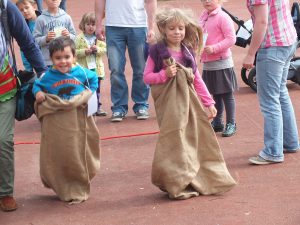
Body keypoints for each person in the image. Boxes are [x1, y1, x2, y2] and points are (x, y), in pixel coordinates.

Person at [144, 8, 236, 200]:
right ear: (163, 28)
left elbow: (196, 78)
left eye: (180, 28)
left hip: (189, 105)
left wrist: (209, 102)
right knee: (174, 141)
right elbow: (147, 77)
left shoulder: (187, 52)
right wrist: (164, 75)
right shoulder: (156, 51)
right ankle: (175, 181)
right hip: (169, 105)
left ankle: (192, 177)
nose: (177, 32)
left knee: (191, 139)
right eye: (172, 28)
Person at [33, 37, 100, 203]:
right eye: (58, 58)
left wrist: (90, 92)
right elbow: (36, 85)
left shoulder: (82, 72)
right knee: (62, 152)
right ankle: (62, 183)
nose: (63, 62)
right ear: (51, 59)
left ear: (74, 57)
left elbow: (94, 79)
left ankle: (79, 179)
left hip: (78, 119)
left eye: (67, 57)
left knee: (79, 150)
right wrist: (38, 93)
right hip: (60, 122)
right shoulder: (48, 75)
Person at [0, 0, 46, 212]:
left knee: (3, 140)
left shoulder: (6, 7)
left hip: (4, 86)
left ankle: (5, 192)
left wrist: (44, 74)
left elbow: (27, 44)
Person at [243, 0, 300, 164]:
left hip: (272, 45)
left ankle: (273, 151)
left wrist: (250, 53)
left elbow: (262, 21)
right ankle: (290, 142)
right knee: (280, 93)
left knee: (269, 100)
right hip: (287, 40)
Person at [95, 0, 157, 122]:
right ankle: (119, 107)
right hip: (113, 26)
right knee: (115, 68)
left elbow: (150, 2)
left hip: (138, 25)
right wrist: (98, 25)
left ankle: (141, 104)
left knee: (141, 68)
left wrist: (151, 27)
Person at [199, 0, 238, 137]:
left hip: (222, 62)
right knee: (215, 93)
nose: (207, 1)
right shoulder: (203, 16)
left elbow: (231, 39)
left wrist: (215, 48)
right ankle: (217, 121)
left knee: (227, 94)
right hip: (208, 63)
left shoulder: (223, 17)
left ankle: (231, 123)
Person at [75, 12, 107, 116]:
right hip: (84, 70)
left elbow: (105, 49)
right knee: (84, 90)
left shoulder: (99, 38)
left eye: (93, 24)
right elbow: (74, 52)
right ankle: (85, 108)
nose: (90, 27)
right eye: (88, 24)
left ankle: (96, 107)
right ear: (83, 25)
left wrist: (97, 49)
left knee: (96, 89)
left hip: (96, 70)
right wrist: (84, 51)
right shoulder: (79, 38)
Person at [33, 0, 76, 67]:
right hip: (48, 61)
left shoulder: (67, 17)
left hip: (64, 60)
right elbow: (35, 40)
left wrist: (69, 36)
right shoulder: (40, 19)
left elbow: (74, 37)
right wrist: (46, 38)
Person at [16, 0, 41, 71]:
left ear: (34, 7)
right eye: (21, 10)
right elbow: (23, 49)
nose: (25, 11)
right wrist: (28, 69)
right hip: (34, 59)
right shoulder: (23, 27)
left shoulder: (45, 20)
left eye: (27, 7)